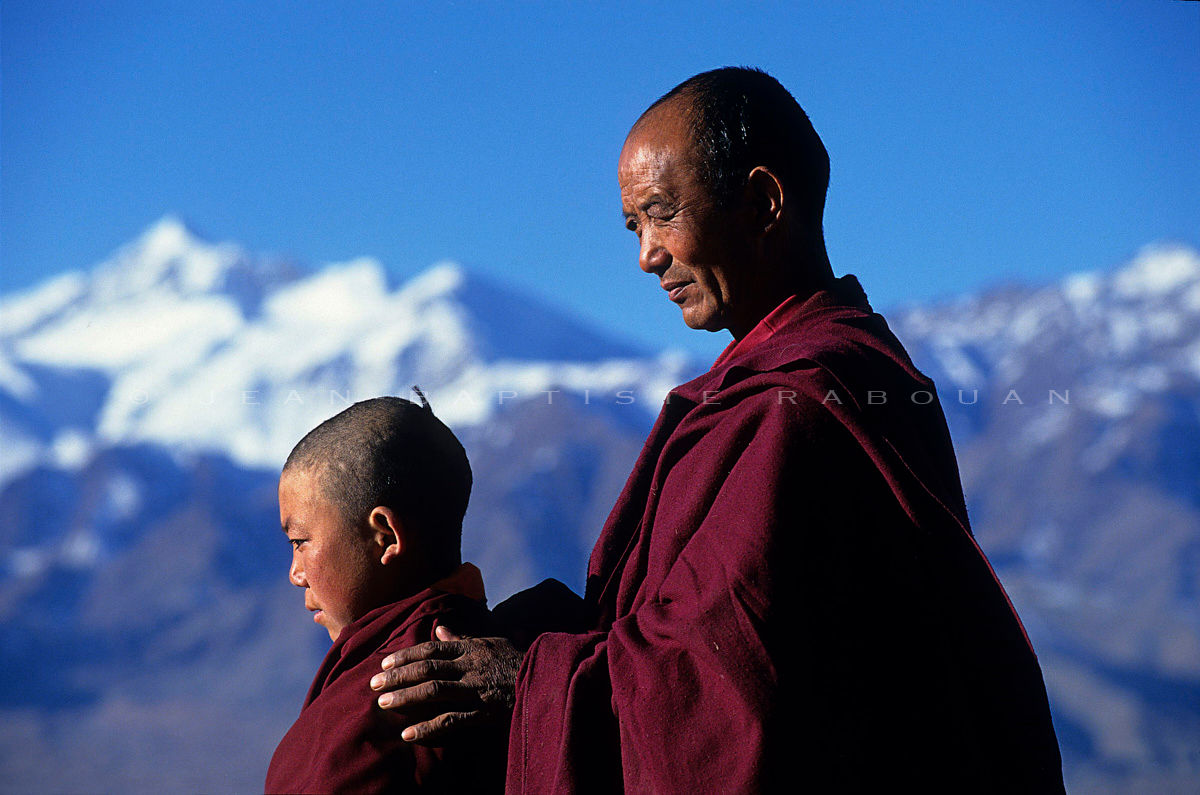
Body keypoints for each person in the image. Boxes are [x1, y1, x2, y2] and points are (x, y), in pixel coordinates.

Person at [370, 68, 1065, 792]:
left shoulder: (798, 406)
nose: (645, 256)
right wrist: (532, 632)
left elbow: (722, 686)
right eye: (634, 226)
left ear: (763, 203)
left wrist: (529, 680)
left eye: (662, 213)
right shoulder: (832, 375)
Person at [266, 395, 504, 794]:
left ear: (385, 537)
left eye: (300, 541)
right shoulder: (505, 644)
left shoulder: (385, 705)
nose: (296, 574)